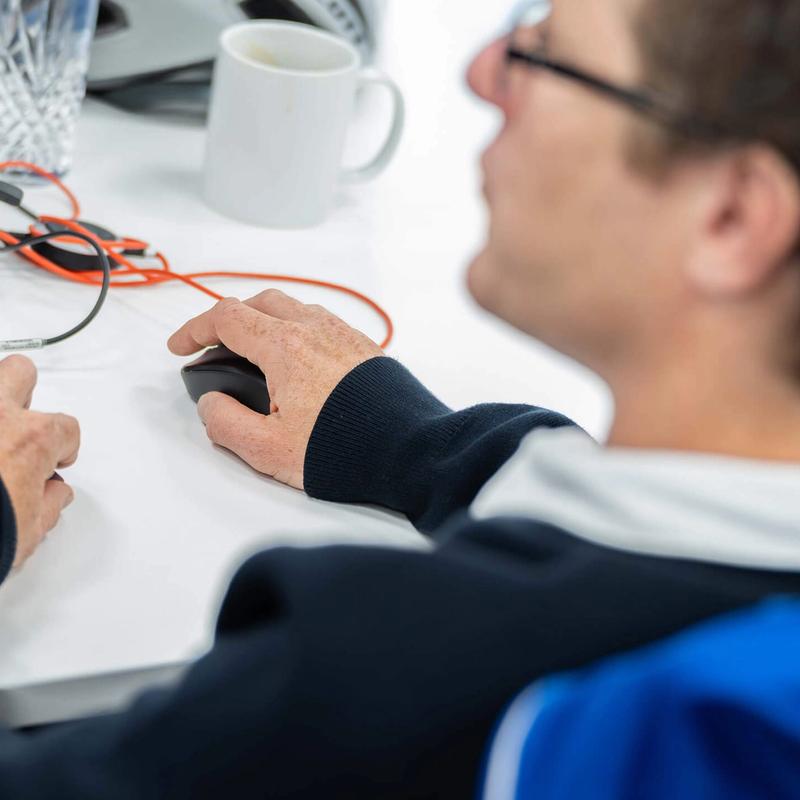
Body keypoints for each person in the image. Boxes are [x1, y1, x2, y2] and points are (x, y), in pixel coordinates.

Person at [0, 0, 799, 796]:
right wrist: (412, 442)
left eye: (545, 57)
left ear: (732, 218)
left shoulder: (405, 682)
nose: (483, 75)